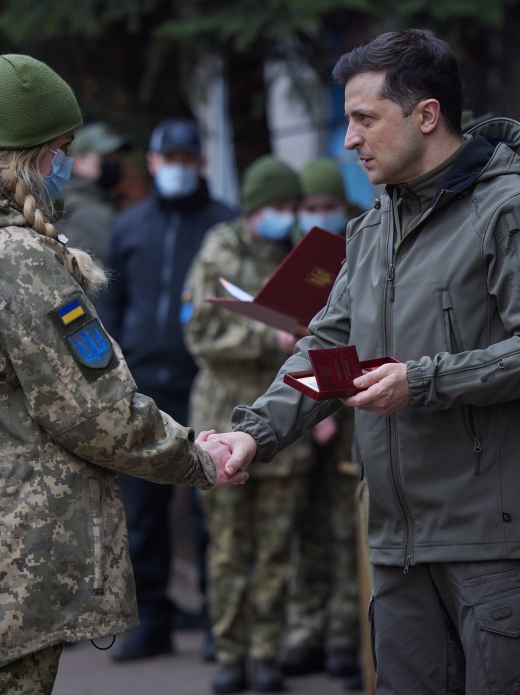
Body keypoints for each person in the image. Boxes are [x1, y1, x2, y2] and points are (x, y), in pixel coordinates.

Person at [212, 28, 520, 695]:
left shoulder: (518, 211)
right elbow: (326, 349)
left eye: (365, 119)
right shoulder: (370, 230)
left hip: (494, 542)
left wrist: (422, 381)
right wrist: (254, 433)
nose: (349, 139)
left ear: (426, 115)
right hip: (398, 544)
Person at [0, 54, 246, 694]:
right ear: (34, 155)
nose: (68, 165)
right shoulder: (14, 256)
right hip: (11, 550)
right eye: (64, 150)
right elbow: (95, 410)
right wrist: (196, 457)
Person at [98, 117, 238, 663]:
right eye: (168, 158)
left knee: (211, 512)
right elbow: (112, 301)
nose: (177, 168)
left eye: (186, 158)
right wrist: (113, 369)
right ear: (153, 163)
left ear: (200, 162)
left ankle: (218, 622)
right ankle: (152, 622)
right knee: (143, 514)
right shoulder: (130, 225)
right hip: (142, 388)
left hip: (204, 385)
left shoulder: (224, 224)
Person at [183, 154, 316, 695]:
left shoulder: (304, 256)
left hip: (286, 427)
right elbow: (199, 334)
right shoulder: (219, 250)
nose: (284, 214)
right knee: (228, 549)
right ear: (254, 207)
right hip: (223, 422)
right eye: (275, 205)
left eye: (291, 204)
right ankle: (230, 654)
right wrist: (269, 338)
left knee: (277, 549)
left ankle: (265, 655)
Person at [279, 158, 363, 686]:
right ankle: (305, 631)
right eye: (310, 206)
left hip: (349, 409)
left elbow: (355, 335)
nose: (319, 214)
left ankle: (346, 639)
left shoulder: (361, 246)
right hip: (297, 410)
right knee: (304, 528)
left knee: (346, 527)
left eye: (328, 205)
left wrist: (330, 405)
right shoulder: (286, 253)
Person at [60, 121, 130, 265]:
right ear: (78, 161)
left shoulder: (90, 200)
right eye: (106, 158)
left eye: (117, 157)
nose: (114, 163)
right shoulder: (86, 210)